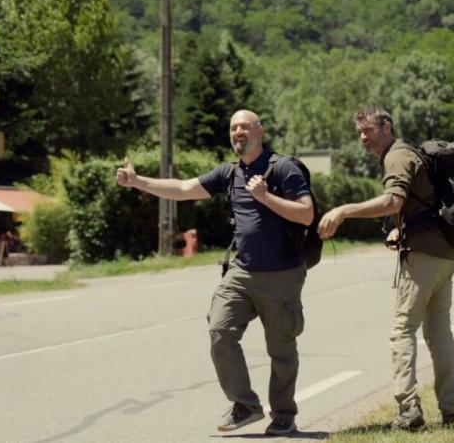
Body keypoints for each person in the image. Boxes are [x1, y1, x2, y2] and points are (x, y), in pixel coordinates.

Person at [116, 110, 314, 436]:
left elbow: (306, 214)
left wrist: (266, 196)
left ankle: (283, 414)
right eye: (233, 127)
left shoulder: (283, 168)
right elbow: (182, 188)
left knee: (280, 349)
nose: (238, 132)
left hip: (282, 274)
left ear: (260, 131)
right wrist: (138, 182)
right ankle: (245, 405)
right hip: (242, 271)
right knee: (220, 330)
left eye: (245, 127)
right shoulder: (230, 172)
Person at [318, 107, 454, 430]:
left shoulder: (396, 156)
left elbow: (393, 201)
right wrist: (401, 228)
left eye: (368, 130)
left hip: (424, 256)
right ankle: (453, 411)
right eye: (359, 132)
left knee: (402, 331)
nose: (363, 138)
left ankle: (409, 411)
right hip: (443, 254)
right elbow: (418, 205)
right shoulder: (409, 153)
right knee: (439, 332)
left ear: (387, 126)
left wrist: (343, 211)